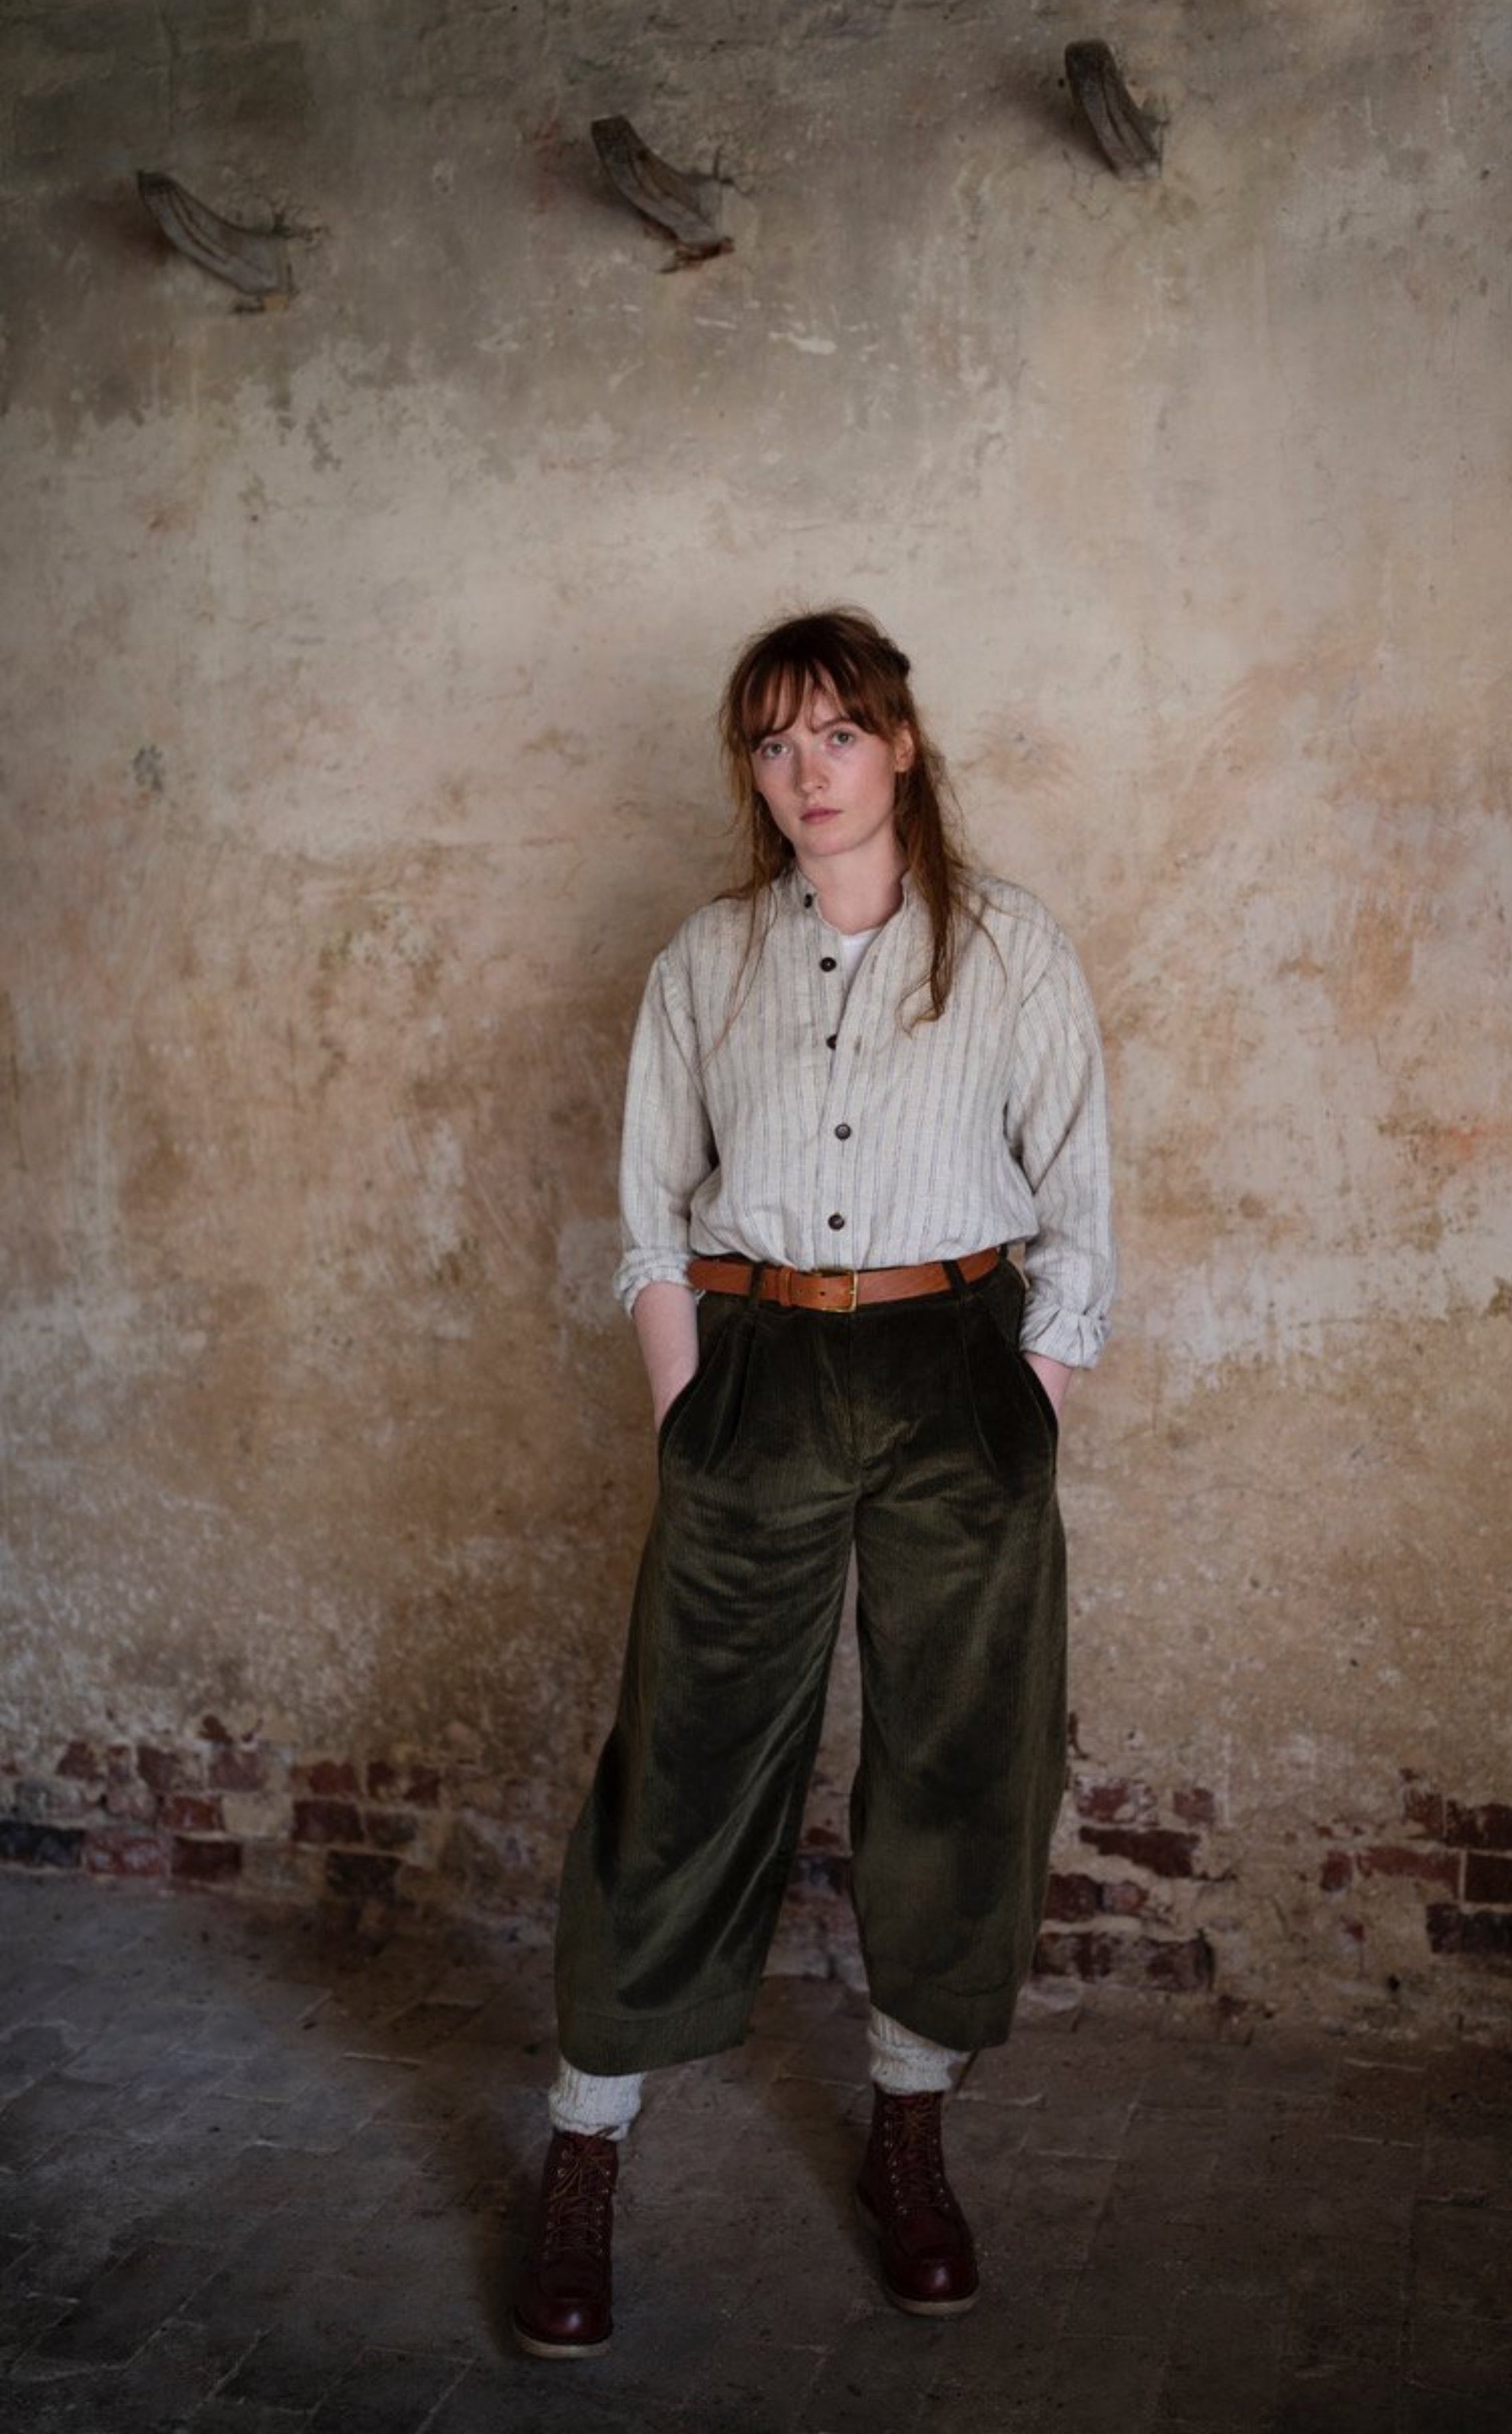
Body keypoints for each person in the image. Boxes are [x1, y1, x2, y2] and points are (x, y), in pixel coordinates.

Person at [512, 607, 1115, 2358]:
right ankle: (582, 2145)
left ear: (901, 745)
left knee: (956, 1756)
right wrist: (691, 1404)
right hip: (755, 1365)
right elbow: (647, 1212)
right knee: (684, 1758)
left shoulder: (1009, 951)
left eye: (835, 735)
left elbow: (1075, 1207)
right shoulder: (706, 960)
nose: (804, 775)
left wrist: (1027, 1405)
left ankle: (908, 2132)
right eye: (771, 744)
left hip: (958, 1368)